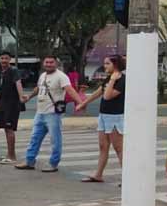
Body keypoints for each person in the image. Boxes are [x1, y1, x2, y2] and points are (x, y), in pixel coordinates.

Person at [15, 55, 85, 173]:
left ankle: (53, 163)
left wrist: (80, 102)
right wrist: (29, 97)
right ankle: (29, 161)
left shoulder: (61, 76)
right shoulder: (43, 75)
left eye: (51, 62)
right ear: (43, 64)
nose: (48, 64)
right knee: (35, 138)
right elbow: (38, 89)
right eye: (46, 62)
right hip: (40, 112)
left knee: (55, 139)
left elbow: (70, 89)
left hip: (53, 113)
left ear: (56, 64)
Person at [75, 55, 126, 183]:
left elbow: (107, 96)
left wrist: (113, 80)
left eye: (107, 63)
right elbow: (99, 92)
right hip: (104, 115)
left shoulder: (121, 80)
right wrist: (83, 103)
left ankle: (127, 177)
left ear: (115, 64)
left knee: (119, 148)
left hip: (116, 117)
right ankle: (98, 174)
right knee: (103, 146)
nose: (105, 66)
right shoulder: (109, 78)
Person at [0, 51, 24, 164]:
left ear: (10, 60)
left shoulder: (13, 70)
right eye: (2, 58)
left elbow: (18, 83)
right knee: (6, 129)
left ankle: (12, 156)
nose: (4, 60)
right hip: (4, 105)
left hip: (12, 105)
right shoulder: (3, 72)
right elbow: (2, 92)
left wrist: (21, 97)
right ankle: (8, 154)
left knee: (10, 130)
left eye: (6, 58)